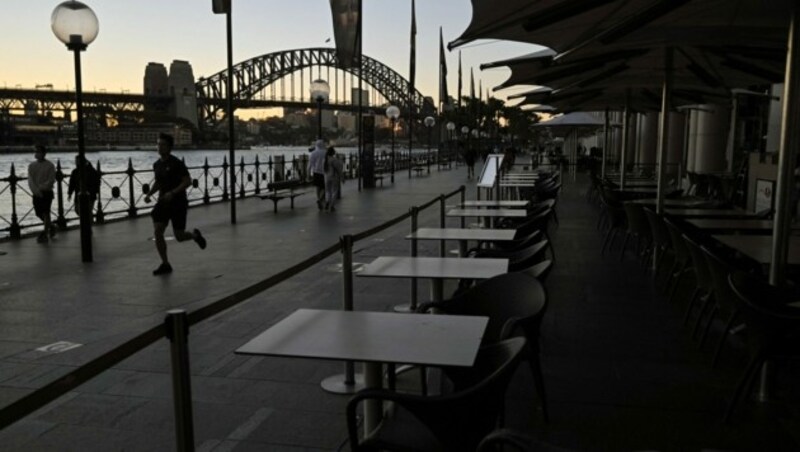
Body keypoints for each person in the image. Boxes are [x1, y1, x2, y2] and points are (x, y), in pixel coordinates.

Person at [144, 133, 206, 276]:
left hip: (178, 202)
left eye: (163, 145)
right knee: (158, 231)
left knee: (179, 236)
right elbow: (158, 182)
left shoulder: (177, 163)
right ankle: (165, 263)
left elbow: (187, 181)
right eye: (158, 144)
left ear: (170, 147)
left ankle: (195, 236)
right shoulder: (157, 165)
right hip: (162, 202)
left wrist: (172, 193)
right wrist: (149, 194)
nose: (160, 147)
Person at [28, 144, 56, 243]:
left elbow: (51, 179)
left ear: (44, 153)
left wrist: (41, 188)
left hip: (47, 192)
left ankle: (45, 233)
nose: (37, 154)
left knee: (46, 212)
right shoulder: (31, 165)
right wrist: (36, 190)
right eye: (36, 152)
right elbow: (30, 180)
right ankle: (51, 226)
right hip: (36, 192)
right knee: (38, 212)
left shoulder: (50, 165)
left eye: (39, 152)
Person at [307, 139, 327, 210]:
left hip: (316, 172)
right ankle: (320, 200)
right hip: (324, 172)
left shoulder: (313, 153)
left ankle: (319, 199)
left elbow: (310, 164)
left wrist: (308, 174)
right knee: (325, 187)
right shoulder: (326, 152)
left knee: (318, 187)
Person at [323, 146, 343, 211]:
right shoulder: (334, 160)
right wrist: (342, 177)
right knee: (334, 191)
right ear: (333, 152)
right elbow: (339, 169)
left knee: (328, 191)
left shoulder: (325, 159)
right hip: (334, 177)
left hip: (326, 177)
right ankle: (332, 205)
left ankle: (327, 201)